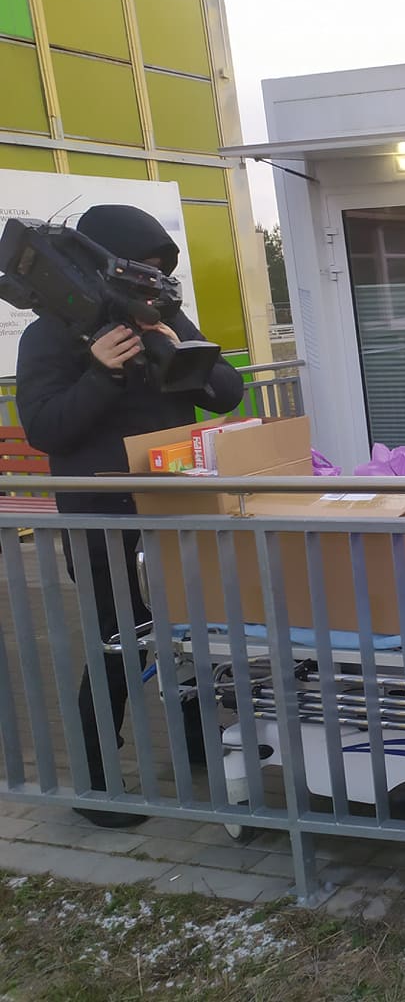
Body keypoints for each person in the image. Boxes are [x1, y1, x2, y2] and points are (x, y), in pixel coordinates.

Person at [15, 204, 244, 828]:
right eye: (140, 265)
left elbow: (227, 393)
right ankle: (96, 785)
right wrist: (101, 372)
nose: (152, 277)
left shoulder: (161, 314)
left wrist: (179, 350)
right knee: (116, 643)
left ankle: (197, 745)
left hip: (173, 509)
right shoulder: (51, 332)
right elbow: (46, 428)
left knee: (190, 636)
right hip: (102, 521)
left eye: (160, 266)